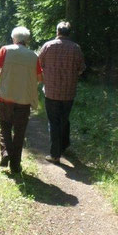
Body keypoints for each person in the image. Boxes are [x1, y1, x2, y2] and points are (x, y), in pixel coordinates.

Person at [0, 26, 42, 174]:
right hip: (24, 99)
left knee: (5, 127)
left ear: (14, 38)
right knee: (20, 132)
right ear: (27, 40)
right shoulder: (34, 56)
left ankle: (6, 152)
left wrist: (8, 74)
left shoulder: (5, 50)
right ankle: (15, 166)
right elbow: (40, 78)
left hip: (6, 96)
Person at [38, 21, 85, 163]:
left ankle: (55, 154)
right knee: (64, 120)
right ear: (68, 33)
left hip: (51, 91)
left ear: (57, 31)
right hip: (68, 92)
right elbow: (81, 68)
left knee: (53, 122)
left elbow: (39, 65)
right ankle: (64, 147)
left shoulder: (48, 46)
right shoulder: (76, 48)